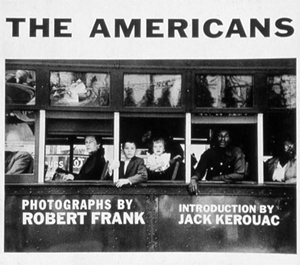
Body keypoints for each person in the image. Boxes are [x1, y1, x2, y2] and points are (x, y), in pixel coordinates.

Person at [189, 129, 246, 194]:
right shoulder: (208, 153)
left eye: (226, 136)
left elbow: (240, 174)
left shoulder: (236, 152)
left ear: (230, 139)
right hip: (211, 192)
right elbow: (199, 172)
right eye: (220, 136)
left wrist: (217, 178)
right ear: (215, 137)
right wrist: (194, 179)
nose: (223, 139)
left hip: (231, 192)